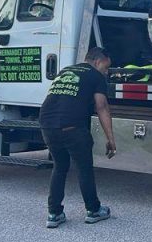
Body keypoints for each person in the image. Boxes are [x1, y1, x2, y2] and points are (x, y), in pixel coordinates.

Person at [39, 46, 117, 228]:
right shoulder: (96, 76)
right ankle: (93, 210)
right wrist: (111, 138)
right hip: (72, 126)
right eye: (106, 67)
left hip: (47, 124)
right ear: (98, 61)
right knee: (84, 168)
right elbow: (101, 106)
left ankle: (54, 213)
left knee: (60, 166)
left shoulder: (66, 70)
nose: (106, 72)